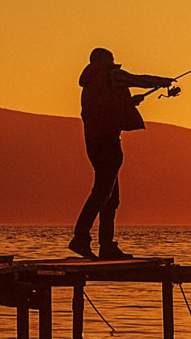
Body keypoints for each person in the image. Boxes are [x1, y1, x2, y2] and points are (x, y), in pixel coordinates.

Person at [71, 47, 176, 258]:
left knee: (110, 196)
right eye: (112, 58)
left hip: (94, 142)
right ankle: (81, 239)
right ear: (104, 60)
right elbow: (135, 79)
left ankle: (106, 247)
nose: (114, 62)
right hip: (108, 142)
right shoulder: (110, 73)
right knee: (103, 193)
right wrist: (161, 81)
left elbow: (105, 108)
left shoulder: (91, 84)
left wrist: (129, 102)